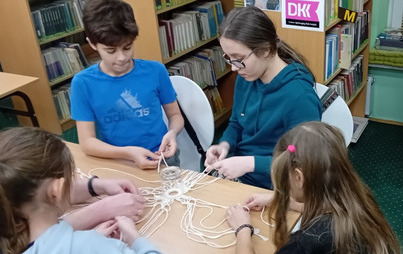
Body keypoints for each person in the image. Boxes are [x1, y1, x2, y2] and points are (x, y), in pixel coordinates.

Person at [226, 121, 400, 254]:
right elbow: (324, 205)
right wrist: (279, 200)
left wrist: (242, 229)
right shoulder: (356, 197)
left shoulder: (307, 242)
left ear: (299, 177)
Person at [204, 6, 322, 189]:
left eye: (239, 58)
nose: (234, 68)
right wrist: (225, 145)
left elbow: (299, 156)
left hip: (278, 184)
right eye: (228, 58)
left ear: (266, 50)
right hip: (240, 175)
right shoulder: (247, 76)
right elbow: (236, 123)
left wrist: (249, 163)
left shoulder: (299, 97)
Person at [0, 127, 161, 254]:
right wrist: (135, 240)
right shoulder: (90, 245)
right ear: (58, 189)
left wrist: (95, 186)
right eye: (70, 180)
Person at [70, 0, 184, 169]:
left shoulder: (155, 71)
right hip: (117, 161)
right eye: (111, 51)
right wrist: (127, 153)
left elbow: (175, 116)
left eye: (127, 47)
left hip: (161, 157)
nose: (122, 57)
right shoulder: (83, 83)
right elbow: (87, 143)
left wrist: (172, 133)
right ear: (92, 44)